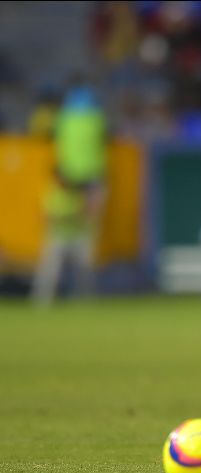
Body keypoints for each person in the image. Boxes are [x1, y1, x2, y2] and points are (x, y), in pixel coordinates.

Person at [31, 82, 107, 306]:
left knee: (82, 264)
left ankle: (75, 299)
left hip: (74, 232)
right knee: (57, 266)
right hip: (65, 231)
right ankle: (51, 300)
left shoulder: (63, 119)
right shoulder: (96, 119)